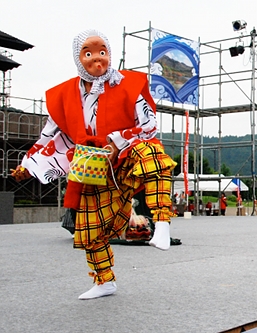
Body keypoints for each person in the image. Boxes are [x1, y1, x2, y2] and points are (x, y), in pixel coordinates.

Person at [11, 29, 177, 300]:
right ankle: (104, 281)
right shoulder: (65, 94)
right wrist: (27, 164)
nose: (97, 59)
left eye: (103, 51)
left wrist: (117, 141)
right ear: (78, 58)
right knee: (90, 231)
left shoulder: (129, 84)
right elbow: (48, 135)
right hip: (92, 165)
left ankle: (162, 225)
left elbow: (149, 125)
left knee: (153, 155)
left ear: (109, 54)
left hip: (124, 156)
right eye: (89, 53)